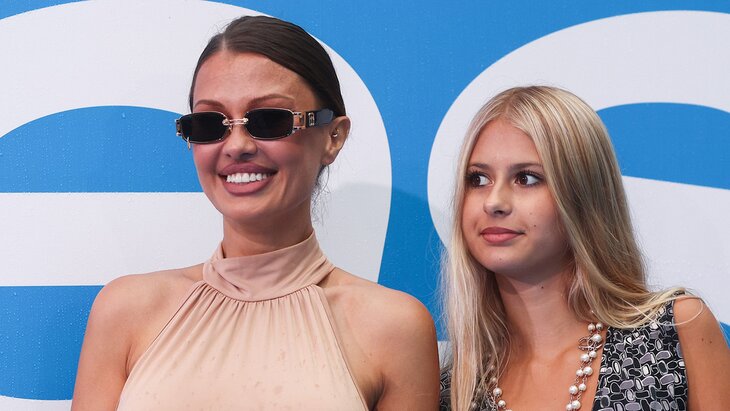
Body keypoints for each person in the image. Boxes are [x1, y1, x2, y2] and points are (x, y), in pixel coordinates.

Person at [72, 15, 439, 410]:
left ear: (333, 136)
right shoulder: (125, 310)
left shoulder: (394, 328)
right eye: (209, 124)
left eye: (269, 120)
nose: (236, 146)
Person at [438, 86, 730, 411]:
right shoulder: (455, 391)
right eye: (478, 179)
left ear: (583, 194)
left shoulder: (672, 332)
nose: (494, 202)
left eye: (527, 178)